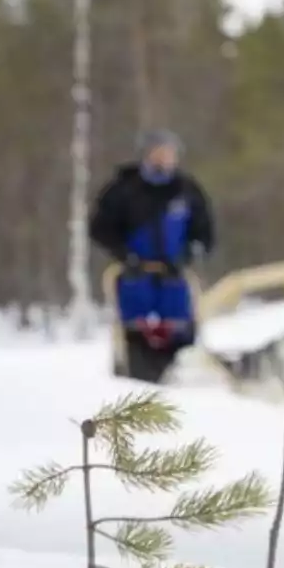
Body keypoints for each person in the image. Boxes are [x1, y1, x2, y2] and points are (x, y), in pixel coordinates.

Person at [89, 130, 215, 383]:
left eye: (169, 153)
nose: (164, 159)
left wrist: (189, 254)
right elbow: (100, 229)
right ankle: (134, 379)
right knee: (136, 332)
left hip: (175, 277)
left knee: (181, 330)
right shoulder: (123, 190)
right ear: (146, 155)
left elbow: (205, 233)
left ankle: (181, 381)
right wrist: (124, 255)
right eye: (158, 152)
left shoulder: (187, 191)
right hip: (135, 276)